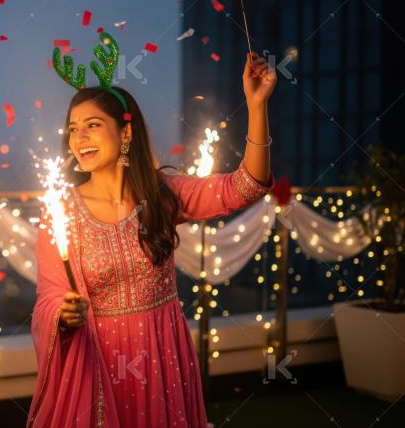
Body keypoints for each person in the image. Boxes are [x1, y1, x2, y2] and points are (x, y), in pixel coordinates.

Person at [29, 32, 276, 427]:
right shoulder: (60, 211)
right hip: (97, 363)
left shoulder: (163, 195)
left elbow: (245, 186)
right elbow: (49, 296)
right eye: (73, 128)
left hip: (161, 358)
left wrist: (257, 106)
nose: (79, 138)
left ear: (126, 133)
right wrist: (63, 312)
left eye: (93, 125)